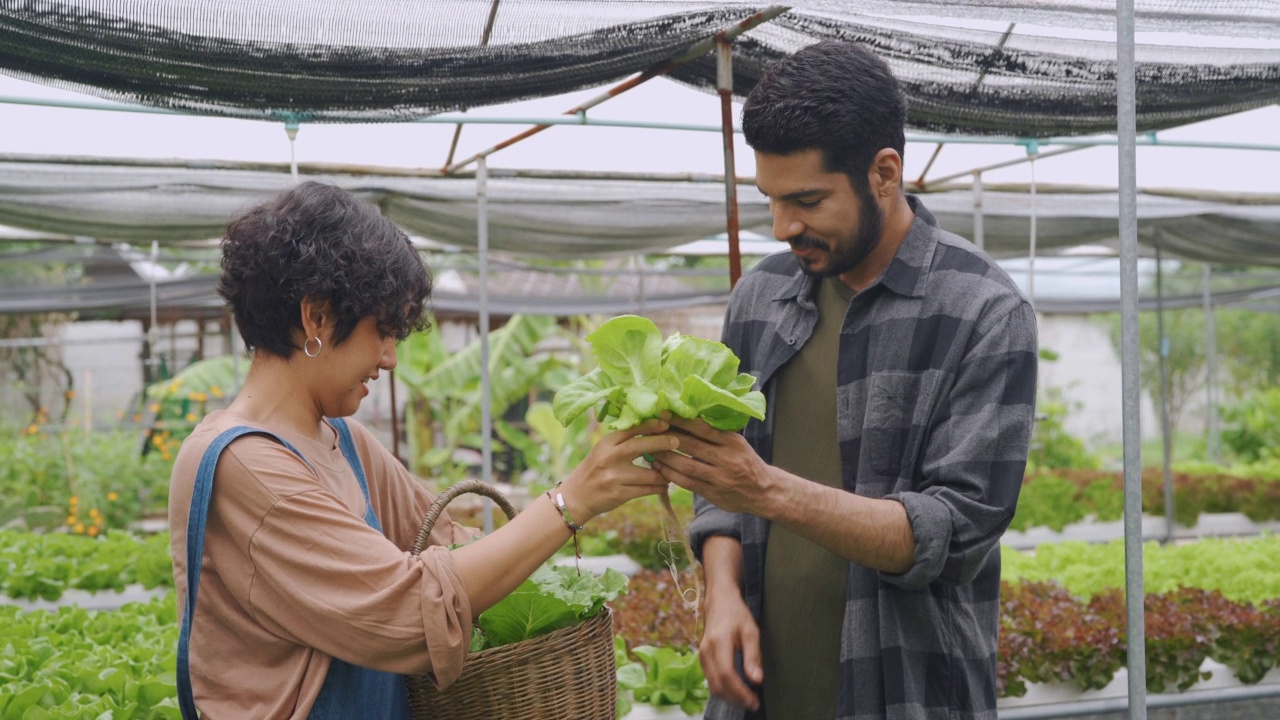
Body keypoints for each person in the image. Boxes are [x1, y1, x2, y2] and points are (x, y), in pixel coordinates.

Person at [168, 181, 675, 719]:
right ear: (316, 318)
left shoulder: (344, 442)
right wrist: (570, 501)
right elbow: (408, 610)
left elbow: (453, 546)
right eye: (382, 331)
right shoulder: (242, 465)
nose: (389, 358)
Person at [653, 42, 1038, 720]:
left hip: (905, 693)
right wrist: (721, 591)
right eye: (770, 199)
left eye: (806, 200)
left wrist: (766, 488)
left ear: (884, 173)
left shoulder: (982, 311)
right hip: (755, 699)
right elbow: (722, 488)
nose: (782, 227)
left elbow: (953, 534)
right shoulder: (760, 297)